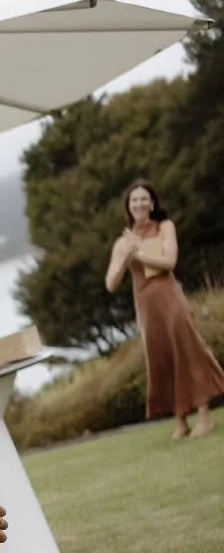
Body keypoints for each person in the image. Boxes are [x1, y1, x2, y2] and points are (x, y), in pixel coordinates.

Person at [105, 179, 224, 440]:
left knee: (188, 350)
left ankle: (204, 416)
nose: (139, 203)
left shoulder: (164, 227)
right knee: (160, 358)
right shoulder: (122, 242)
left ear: (152, 203)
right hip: (146, 306)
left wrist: (139, 253)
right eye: (134, 200)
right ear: (128, 206)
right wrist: (127, 257)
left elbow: (169, 261)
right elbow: (111, 283)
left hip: (170, 297)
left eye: (143, 198)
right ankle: (180, 421)